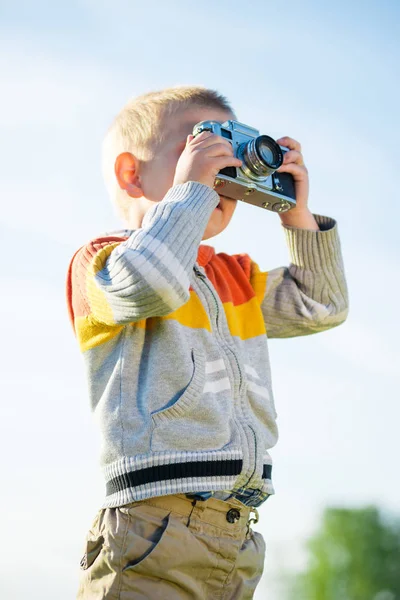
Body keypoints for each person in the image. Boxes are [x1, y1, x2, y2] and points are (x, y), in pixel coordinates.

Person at [66, 86, 348, 599]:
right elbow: (151, 282)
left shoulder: (232, 279)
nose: (220, 172)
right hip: (154, 524)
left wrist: (295, 214)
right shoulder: (103, 261)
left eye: (231, 156)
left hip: (237, 531)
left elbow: (320, 304)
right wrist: (191, 191)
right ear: (132, 173)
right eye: (201, 147)